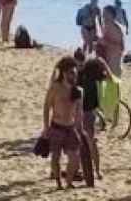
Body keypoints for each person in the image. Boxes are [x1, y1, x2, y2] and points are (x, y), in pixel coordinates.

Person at [43, 56, 81, 190]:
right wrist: (46, 127)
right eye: (71, 72)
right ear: (64, 73)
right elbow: (47, 106)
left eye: (75, 73)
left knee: (75, 158)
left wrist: (79, 129)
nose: (74, 75)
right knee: (55, 157)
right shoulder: (55, 88)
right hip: (56, 127)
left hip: (70, 128)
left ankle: (69, 181)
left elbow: (78, 111)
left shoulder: (77, 90)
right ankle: (59, 182)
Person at [77, 56, 108, 181]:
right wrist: (104, 62)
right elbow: (110, 76)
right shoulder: (96, 78)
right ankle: (97, 171)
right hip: (89, 113)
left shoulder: (79, 75)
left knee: (79, 143)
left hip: (79, 113)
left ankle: (80, 169)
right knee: (92, 143)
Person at [101, 5, 126, 77]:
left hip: (115, 62)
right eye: (103, 14)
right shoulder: (106, 25)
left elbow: (121, 47)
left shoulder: (116, 28)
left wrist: (105, 43)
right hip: (107, 60)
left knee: (114, 84)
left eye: (105, 14)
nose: (103, 16)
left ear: (112, 15)